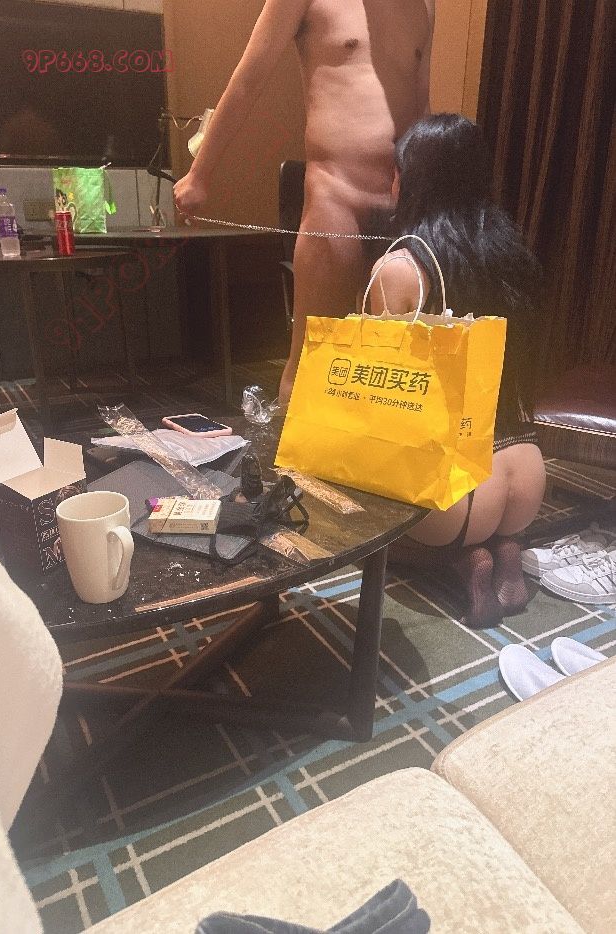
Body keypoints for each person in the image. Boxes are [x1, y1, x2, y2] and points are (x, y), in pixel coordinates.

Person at [173, 0, 435, 403]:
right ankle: (293, 444)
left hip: (404, 207)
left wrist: (433, 198)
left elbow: (422, 103)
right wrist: (199, 174)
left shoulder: (424, 4)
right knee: (313, 360)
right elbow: (248, 79)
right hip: (337, 195)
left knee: (395, 365)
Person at [369, 113, 546, 628]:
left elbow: (386, 396)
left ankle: (459, 560)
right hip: (525, 470)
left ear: (413, 179)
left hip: (458, 493)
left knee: (367, 528)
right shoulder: (510, 255)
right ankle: (505, 546)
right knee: (486, 521)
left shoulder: (401, 267)